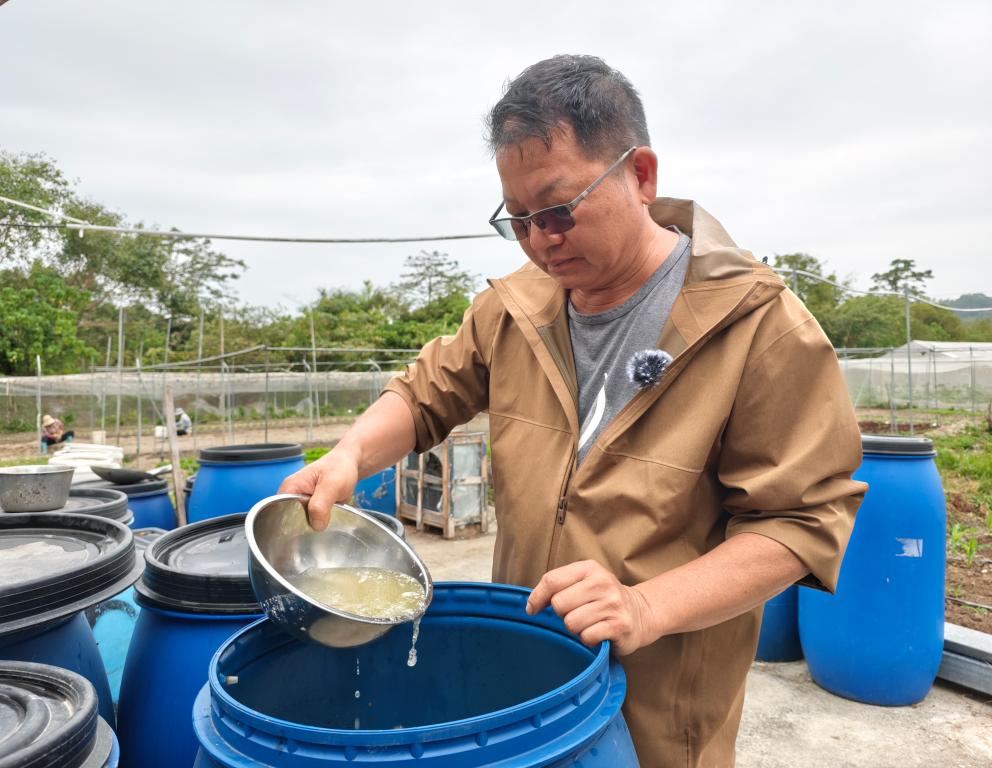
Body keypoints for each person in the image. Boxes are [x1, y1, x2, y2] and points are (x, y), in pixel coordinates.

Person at [280, 55, 866, 767]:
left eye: (558, 210)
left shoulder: (758, 327)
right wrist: (350, 454)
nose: (540, 240)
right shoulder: (515, 307)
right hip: (523, 685)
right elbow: (424, 391)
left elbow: (799, 522)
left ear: (640, 175)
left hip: (657, 712)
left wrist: (646, 607)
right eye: (519, 219)